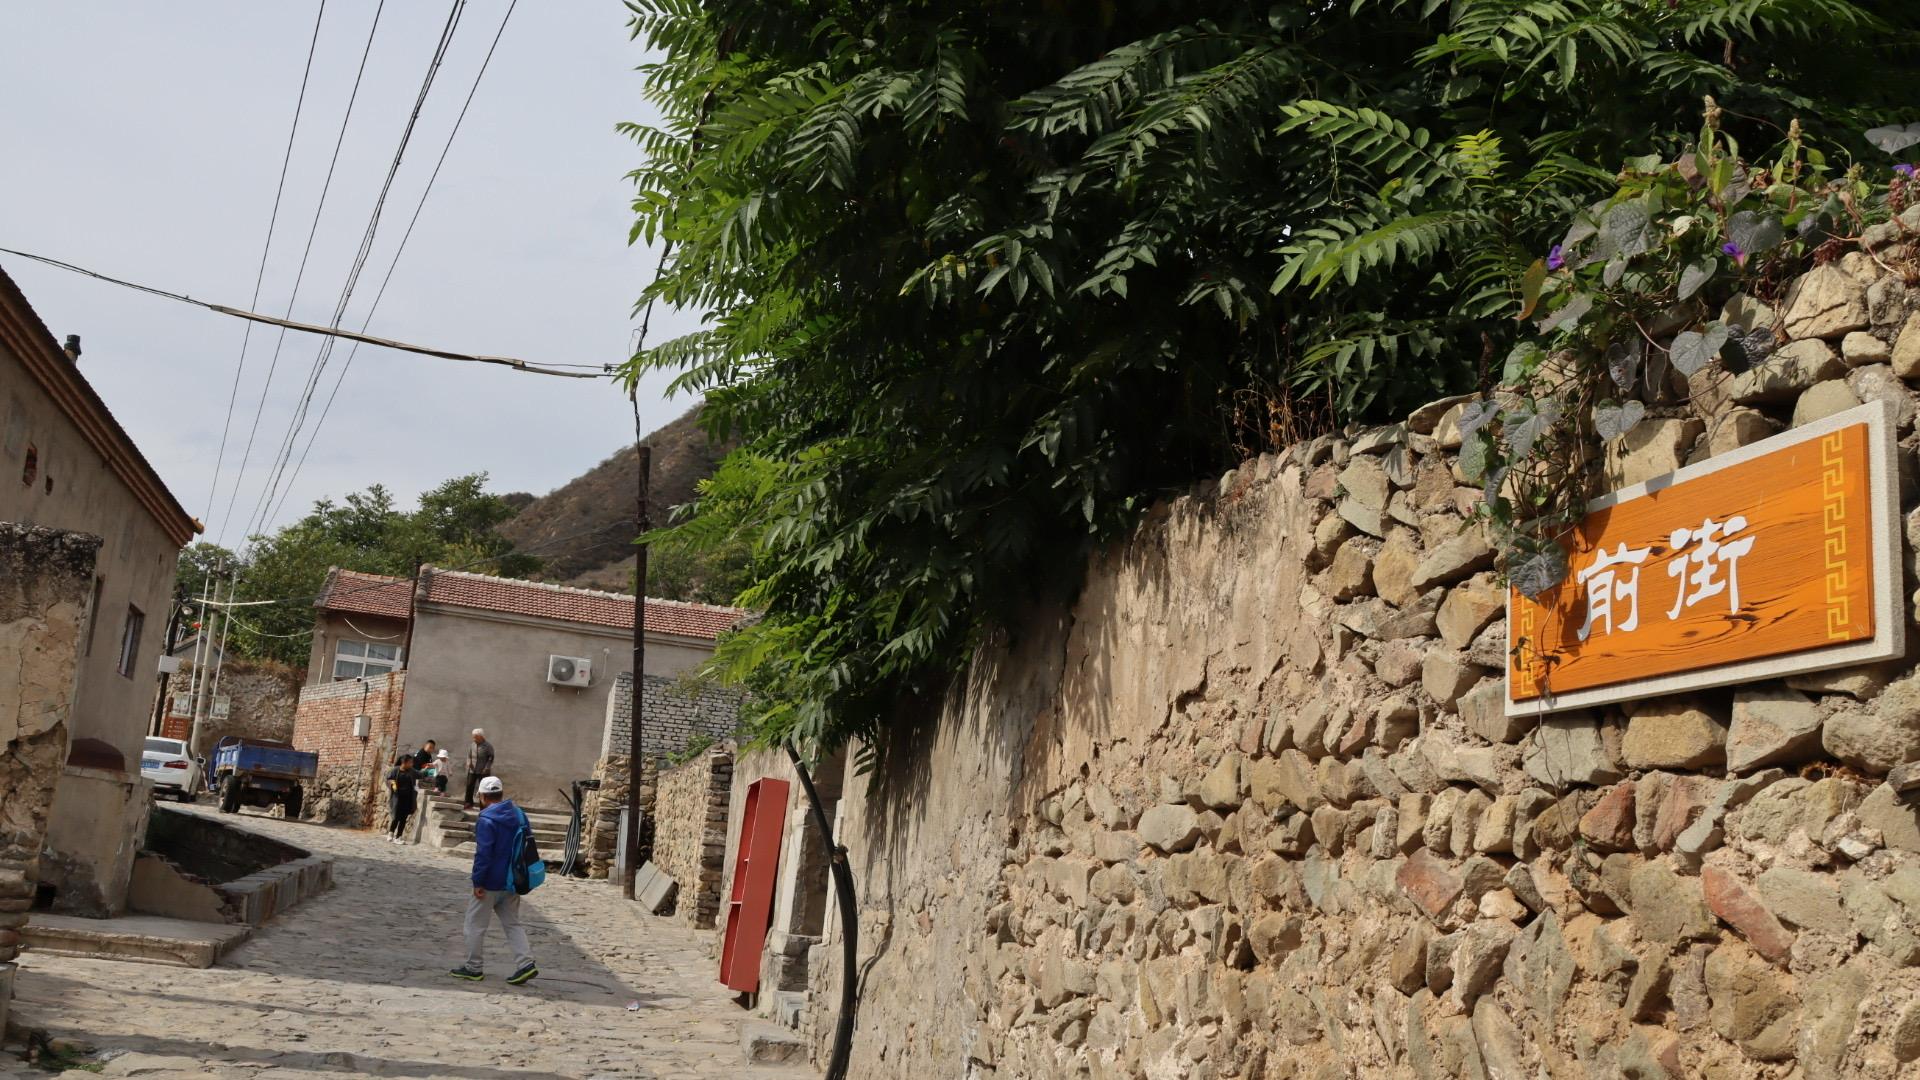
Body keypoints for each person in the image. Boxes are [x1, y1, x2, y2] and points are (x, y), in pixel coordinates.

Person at [449, 776, 537, 985]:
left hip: (490, 883)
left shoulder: (487, 819)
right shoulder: (519, 814)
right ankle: (526, 964)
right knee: (513, 924)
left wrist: (477, 882)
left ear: (482, 796)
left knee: (474, 925)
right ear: (501, 794)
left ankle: (473, 968)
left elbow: (483, 854)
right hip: (514, 880)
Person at [385, 754, 418, 844]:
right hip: (397, 798)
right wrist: (392, 783)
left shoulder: (411, 771)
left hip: (407, 799)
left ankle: (398, 837)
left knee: (403, 818)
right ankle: (390, 834)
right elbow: (388, 779)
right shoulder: (395, 770)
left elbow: (420, 774)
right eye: (410, 762)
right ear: (404, 762)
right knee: (396, 817)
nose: (412, 764)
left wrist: (427, 771)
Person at [462, 728, 495, 809]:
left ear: (481, 737)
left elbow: (491, 758)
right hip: (472, 769)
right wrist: (468, 762)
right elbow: (469, 755)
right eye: (473, 737)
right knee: (469, 786)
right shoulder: (472, 745)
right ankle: (468, 802)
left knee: (483, 789)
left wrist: (487, 768)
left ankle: (483, 806)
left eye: (475, 737)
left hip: (483, 771)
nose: (474, 739)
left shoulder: (488, 746)